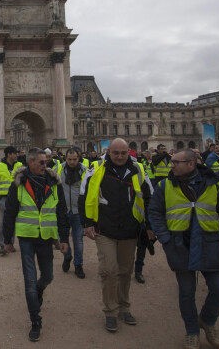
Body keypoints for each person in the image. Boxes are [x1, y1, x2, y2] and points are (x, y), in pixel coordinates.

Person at [149, 149, 219, 349]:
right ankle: (192, 331)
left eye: (176, 162)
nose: (171, 165)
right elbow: (155, 213)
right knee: (186, 293)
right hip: (179, 244)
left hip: (209, 243)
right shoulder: (164, 186)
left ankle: (207, 320)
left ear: (191, 164)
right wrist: (165, 239)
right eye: (171, 162)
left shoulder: (215, 185)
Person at [78, 138, 152, 333]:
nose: (119, 156)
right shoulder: (96, 168)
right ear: (108, 151)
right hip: (104, 228)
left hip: (130, 228)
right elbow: (83, 195)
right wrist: (87, 224)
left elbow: (150, 197)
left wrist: (150, 225)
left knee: (125, 271)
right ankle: (110, 311)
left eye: (123, 153)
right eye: (116, 153)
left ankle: (124, 307)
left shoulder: (139, 169)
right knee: (109, 270)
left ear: (129, 152)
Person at [2, 148, 70, 341]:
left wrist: (64, 238)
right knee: (30, 282)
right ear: (30, 162)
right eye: (41, 162)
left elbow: (61, 213)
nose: (45, 165)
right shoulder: (18, 184)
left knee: (48, 276)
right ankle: (35, 321)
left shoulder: (54, 183)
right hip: (26, 238)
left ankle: (40, 290)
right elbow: (10, 212)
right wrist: (8, 240)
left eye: (46, 162)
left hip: (46, 238)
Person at [0, 146, 23, 256]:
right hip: (4, 198)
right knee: (4, 222)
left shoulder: (20, 166)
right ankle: (3, 244)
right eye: (14, 153)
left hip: (17, 198)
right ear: (9, 154)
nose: (16, 155)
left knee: (14, 221)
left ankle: (10, 243)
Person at [60, 148, 87, 278]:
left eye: (74, 159)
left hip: (78, 211)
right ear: (66, 158)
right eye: (69, 159)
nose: (71, 162)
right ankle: (67, 256)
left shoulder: (85, 171)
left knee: (78, 240)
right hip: (63, 210)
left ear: (79, 158)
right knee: (62, 238)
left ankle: (78, 265)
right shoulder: (59, 169)